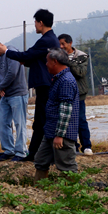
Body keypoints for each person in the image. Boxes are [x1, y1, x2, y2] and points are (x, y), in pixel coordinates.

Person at [0, 9, 59, 162]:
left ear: (40, 23)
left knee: (42, 121)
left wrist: (6, 51)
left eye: (35, 22)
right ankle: (35, 153)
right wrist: (26, 61)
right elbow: (33, 59)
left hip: (45, 85)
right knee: (41, 121)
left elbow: (27, 55)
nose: (34, 25)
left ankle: (39, 154)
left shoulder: (46, 41)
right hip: (45, 84)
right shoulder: (50, 40)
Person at [35, 49, 80, 179]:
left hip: (61, 134)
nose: (46, 64)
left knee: (67, 166)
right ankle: (38, 191)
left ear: (55, 62)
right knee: (40, 161)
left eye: (47, 62)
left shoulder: (66, 80)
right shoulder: (59, 79)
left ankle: (72, 193)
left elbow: (65, 110)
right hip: (51, 131)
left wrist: (60, 135)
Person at [0, 41, 29, 161]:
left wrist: (1, 87)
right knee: (2, 123)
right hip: (6, 95)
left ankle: (21, 152)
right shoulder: (1, 58)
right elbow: (2, 75)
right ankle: (9, 150)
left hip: (17, 94)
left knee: (19, 123)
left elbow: (12, 72)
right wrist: (0, 87)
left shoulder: (12, 52)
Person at [58, 34, 92, 155]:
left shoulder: (81, 56)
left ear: (70, 43)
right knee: (67, 121)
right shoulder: (58, 56)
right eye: (60, 44)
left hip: (79, 92)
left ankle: (86, 146)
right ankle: (74, 147)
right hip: (64, 93)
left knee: (81, 120)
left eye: (63, 44)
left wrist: (68, 61)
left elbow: (81, 72)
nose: (61, 46)